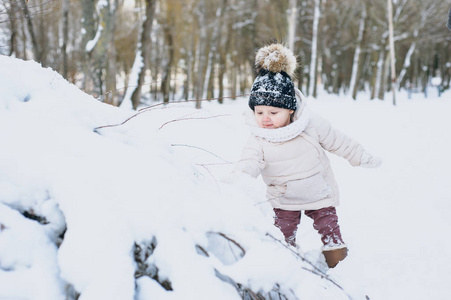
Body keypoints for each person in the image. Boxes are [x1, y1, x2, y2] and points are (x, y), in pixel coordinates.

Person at [235, 43, 381, 268]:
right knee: (282, 234)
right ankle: (286, 262)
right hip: (282, 198)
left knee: (329, 226)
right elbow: (249, 161)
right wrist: (239, 180)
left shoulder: (309, 124)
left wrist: (360, 156)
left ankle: (338, 260)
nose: (265, 118)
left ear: (290, 109)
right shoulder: (258, 138)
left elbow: (338, 141)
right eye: (259, 112)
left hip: (317, 191)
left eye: (273, 112)